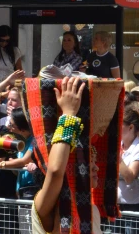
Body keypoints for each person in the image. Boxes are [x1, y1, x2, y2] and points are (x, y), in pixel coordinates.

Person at [32, 77, 98, 234]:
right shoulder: (45, 204)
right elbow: (55, 172)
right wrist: (68, 114)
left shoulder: (91, 208)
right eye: (89, 162)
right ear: (69, 165)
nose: (97, 167)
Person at [0, 107, 38, 199]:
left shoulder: (35, 141)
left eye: (12, 125)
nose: (9, 127)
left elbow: (24, 161)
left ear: (23, 130)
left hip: (31, 189)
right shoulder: (21, 141)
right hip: (21, 188)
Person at [118, 103, 139, 215]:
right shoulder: (119, 145)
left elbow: (129, 177)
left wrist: (116, 157)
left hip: (134, 207)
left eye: (119, 124)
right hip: (116, 205)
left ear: (130, 127)